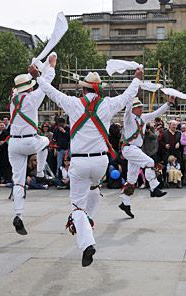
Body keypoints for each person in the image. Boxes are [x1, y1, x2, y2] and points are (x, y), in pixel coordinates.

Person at [29, 61, 142, 267]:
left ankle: (87, 240)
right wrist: (137, 77)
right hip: (100, 161)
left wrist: (38, 76)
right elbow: (128, 96)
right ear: (98, 90)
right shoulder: (108, 104)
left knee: (77, 206)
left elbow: (51, 92)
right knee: (93, 188)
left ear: (83, 88)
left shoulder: (73, 103)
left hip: (80, 162)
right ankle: (88, 220)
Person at [8, 54, 56, 236]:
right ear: (29, 87)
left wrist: (34, 69)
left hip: (13, 143)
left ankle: (18, 214)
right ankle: (41, 172)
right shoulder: (33, 98)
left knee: (18, 181)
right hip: (30, 141)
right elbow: (47, 83)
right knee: (45, 141)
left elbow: (17, 89)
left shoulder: (13, 100)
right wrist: (49, 66)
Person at [118, 93, 177, 219]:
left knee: (132, 179)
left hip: (136, 150)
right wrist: (131, 95)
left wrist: (168, 103)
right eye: (138, 107)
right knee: (150, 162)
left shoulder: (143, 118)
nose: (141, 108)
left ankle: (125, 202)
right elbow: (127, 109)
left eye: (141, 107)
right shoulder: (128, 118)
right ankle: (154, 188)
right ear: (133, 109)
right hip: (129, 148)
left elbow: (156, 113)